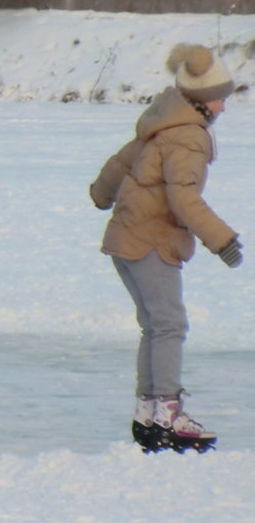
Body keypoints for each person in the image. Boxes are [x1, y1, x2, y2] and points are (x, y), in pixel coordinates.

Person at [91, 43, 240, 453]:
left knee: (156, 326)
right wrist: (221, 239)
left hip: (127, 236)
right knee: (169, 325)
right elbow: (184, 198)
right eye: (221, 99)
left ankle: (149, 412)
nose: (224, 108)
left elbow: (121, 162)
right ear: (203, 100)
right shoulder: (189, 136)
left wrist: (101, 194)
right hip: (150, 241)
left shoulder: (163, 119)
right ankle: (169, 416)